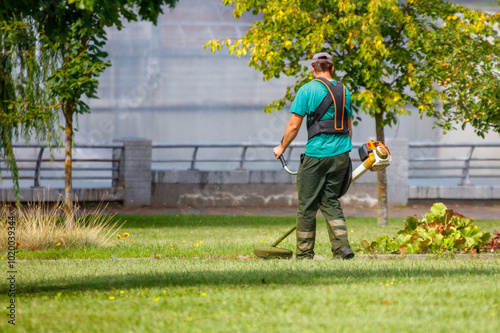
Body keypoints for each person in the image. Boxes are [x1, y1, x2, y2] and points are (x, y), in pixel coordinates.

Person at [273, 52, 355, 260]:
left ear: (313, 69)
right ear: (332, 69)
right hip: (342, 155)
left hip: (317, 154)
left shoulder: (307, 90)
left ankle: (304, 254)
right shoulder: (345, 91)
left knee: (307, 205)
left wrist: (282, 147)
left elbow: (294, 125)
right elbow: (348, 127)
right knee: (330, 200)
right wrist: (344, 151)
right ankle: (342, 248)